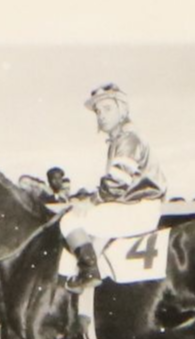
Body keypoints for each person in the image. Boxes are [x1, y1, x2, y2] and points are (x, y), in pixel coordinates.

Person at [59, 84, 167, 290]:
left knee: (69, 221)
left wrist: (90, 202)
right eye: (98, 111)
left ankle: (89, 273)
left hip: (137, 209)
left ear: (123, 110)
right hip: (133, 206)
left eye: (108, 109)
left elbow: (116, 184)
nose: (101, 115)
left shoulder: (128, 139)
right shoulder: (121, 139)